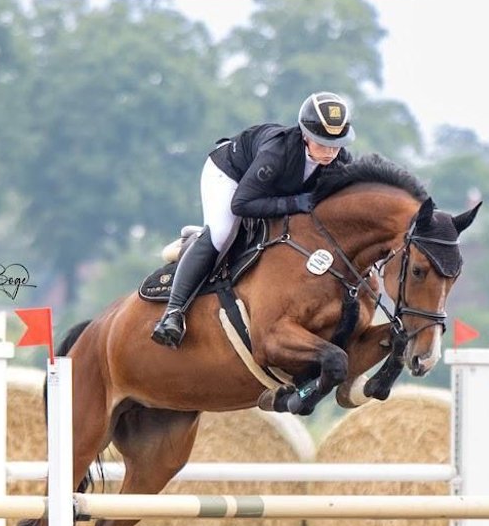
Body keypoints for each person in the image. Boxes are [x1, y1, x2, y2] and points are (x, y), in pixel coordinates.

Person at [151, 91, 356, 349]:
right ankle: (173, 313)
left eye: (336, 144)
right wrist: (296, 203)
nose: (330, 152)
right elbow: (242, 203)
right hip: (229, 174)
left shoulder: (340, 161)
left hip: (266, 188)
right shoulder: (277, 153)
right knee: (223, 232)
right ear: (305, 135)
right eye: (322, 142)